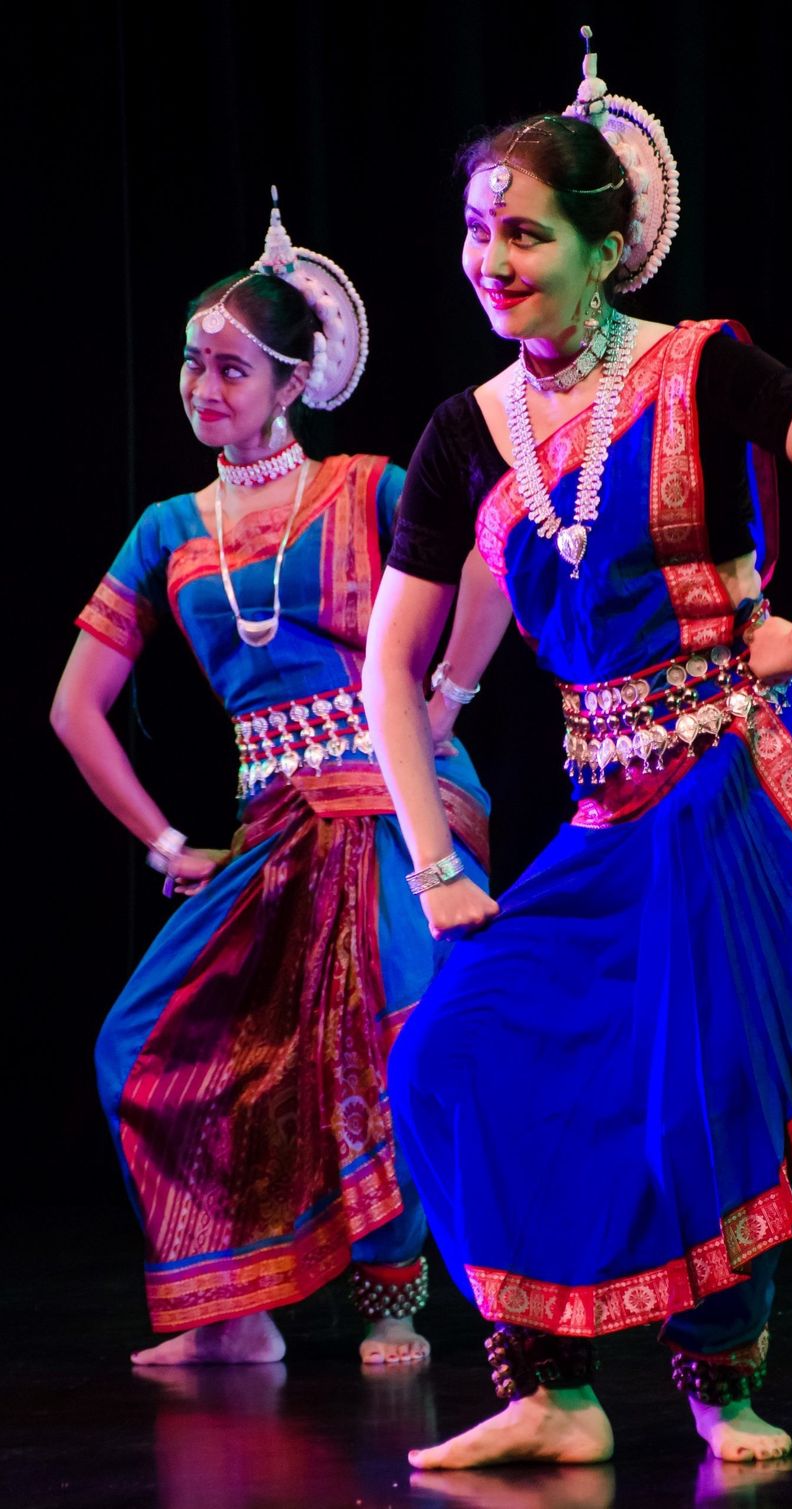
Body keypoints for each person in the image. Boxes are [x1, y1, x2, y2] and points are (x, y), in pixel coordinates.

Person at [361, 29, 792, 1465]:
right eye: (477, 230)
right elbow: (391, 662)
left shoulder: (699, 366)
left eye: (526, 232)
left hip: (741, 774)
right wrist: (432, 862)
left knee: (709, 1085)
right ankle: (549, 1390)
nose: (491, 257)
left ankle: (722, 1392)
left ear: (606, 248)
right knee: (447, 1054)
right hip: (608, 808)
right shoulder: (461, 433)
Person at [50, 194, 489, 1368]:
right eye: (194, 362)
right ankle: (231, 1308)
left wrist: (443, 701)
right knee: (146, 1044)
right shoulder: (167, 528)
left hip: (390, 803)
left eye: (234, 367)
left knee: (379, 1027)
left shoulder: (365, 487)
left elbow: (486, 554)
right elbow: (73, 707)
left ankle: (394, 1299)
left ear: (295, 381)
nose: (206, 386)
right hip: (267, 824)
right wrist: (159, 841)